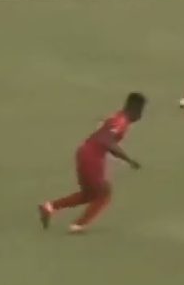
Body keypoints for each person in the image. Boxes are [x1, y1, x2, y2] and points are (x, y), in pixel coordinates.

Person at [38, 92, 146, 234]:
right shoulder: (121, 121)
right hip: (92, 157)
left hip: (86, 153)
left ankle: (49, 207)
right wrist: (128, 159)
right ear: (135, 108)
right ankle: (78, 225)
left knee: (89, 195)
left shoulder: (118, 118)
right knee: (104, 193)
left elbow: (108, 142)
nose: (141, 115)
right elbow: (107, 141)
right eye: (141, 110)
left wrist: (127, 160)